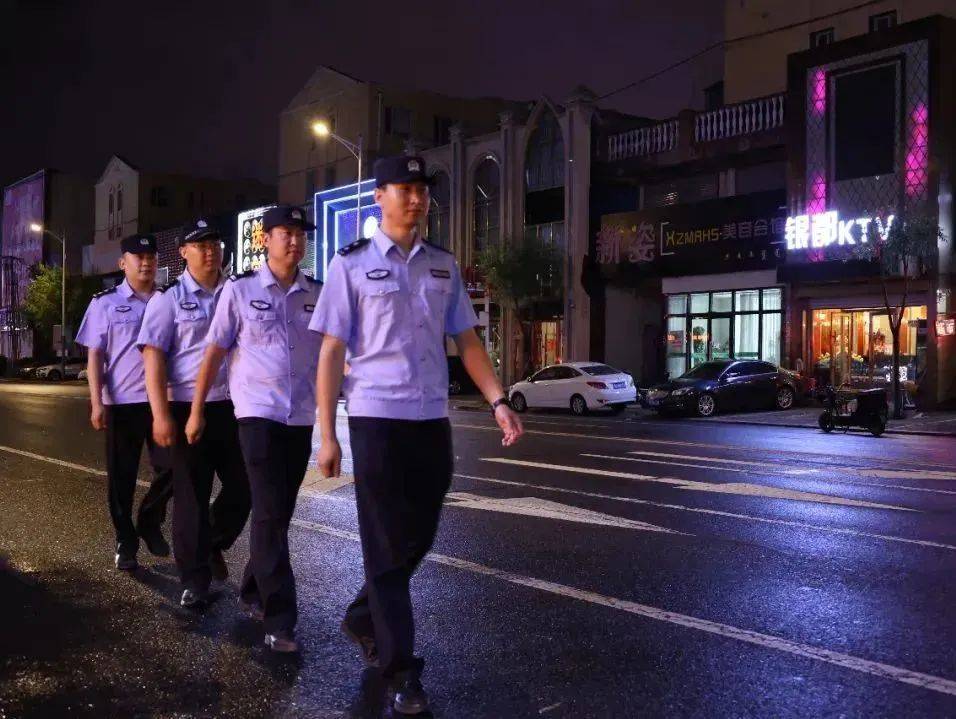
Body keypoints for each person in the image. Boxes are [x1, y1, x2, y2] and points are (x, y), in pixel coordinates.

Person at [311, 155, 524, 715]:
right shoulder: (350, 265)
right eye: (404, 189)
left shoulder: (442, 266)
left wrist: (498, 400)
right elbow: (332, 351)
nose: (417, 198)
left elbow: (469, 342)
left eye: (422, 190)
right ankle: (401, 668)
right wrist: (326, 433)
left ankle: (364, 613)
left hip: (430, 418)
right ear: (378, 197)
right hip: (376, 417)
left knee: (420, 531)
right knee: (384, 543)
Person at [186, 205, 321, 652]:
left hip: (299, 418)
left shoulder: (314, 294)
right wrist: (197, 410)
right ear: (264, 239)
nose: (295, 241)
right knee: (266, 510)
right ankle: (280, 619)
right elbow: (214, 353)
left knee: (278, 513)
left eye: (300, 234)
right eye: (285, 232)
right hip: (256, 415)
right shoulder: (240, 291)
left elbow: (329, 357)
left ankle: (251, 588)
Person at [137, 218, 251, 609]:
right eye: (200, 245)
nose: (210, 250)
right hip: (185, 407)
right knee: (191, 496)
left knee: (244, 487)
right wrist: (160, 415)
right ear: (183, 252)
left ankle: (213, 544)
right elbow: (152, 359)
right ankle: (194, 578)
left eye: (215, 243)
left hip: (236, 406)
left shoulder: (238, 292)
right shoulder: (166, 300)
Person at [75, 233, 173, 571]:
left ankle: (148, 519)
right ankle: (125, 540)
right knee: (122, 477)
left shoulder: (168, 300)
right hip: (122, 403)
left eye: (151, 257)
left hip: (163, 401)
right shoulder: (104, 304)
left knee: (174, 468)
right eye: (138, 257)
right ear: (123, 264)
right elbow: (95, 357)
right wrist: (97, 401)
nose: (145, 263)